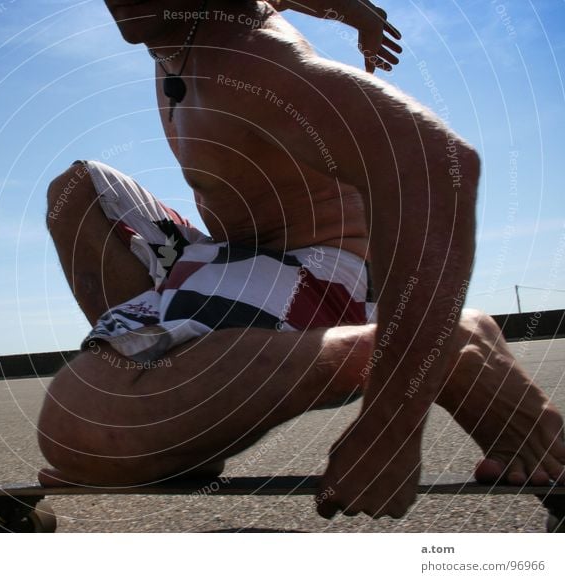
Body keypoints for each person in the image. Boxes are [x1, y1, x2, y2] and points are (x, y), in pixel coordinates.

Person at [37, 0, 565, 519]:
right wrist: (356, 12)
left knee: (81, 433)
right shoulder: (178, 27)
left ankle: (442, 342)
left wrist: (389, 423)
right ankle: (191, 424)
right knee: (79, 194)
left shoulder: (251, 59)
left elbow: (434, 162)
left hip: (318, 272)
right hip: (234, 257)